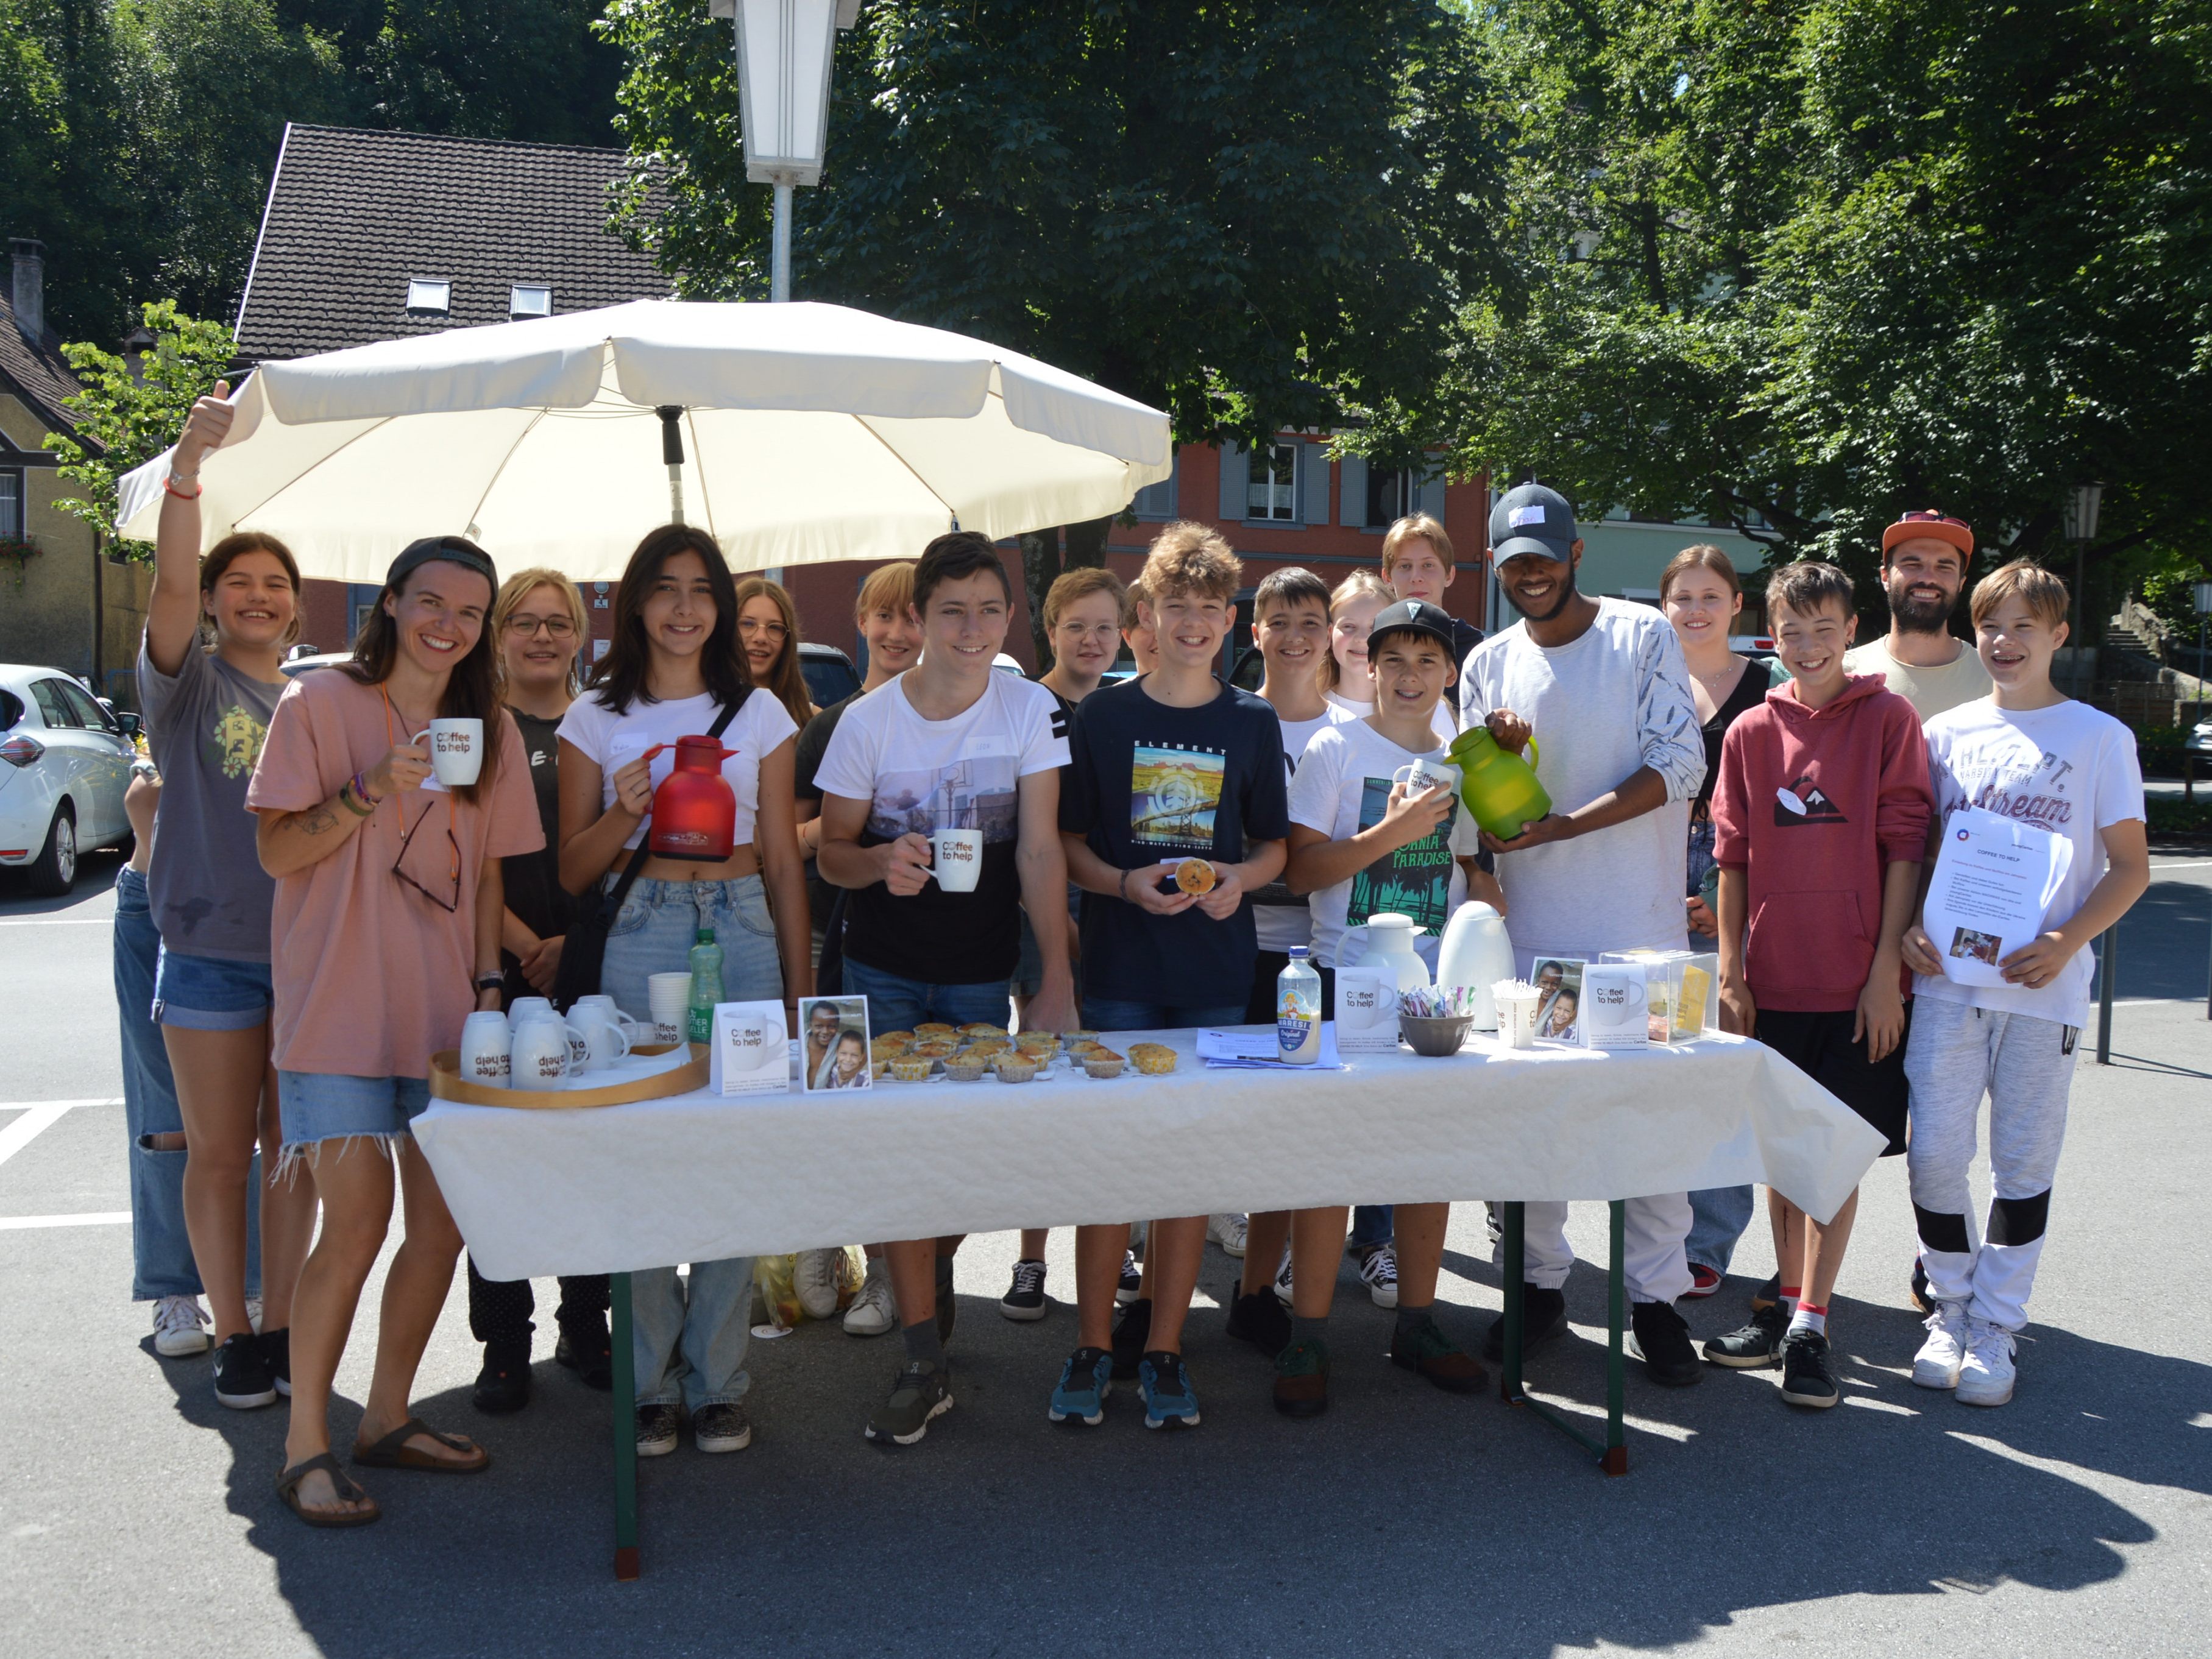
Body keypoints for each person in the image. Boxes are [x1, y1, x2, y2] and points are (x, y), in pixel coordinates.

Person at [250, 534, 540, 1528]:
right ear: (390, 602)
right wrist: (373, 785)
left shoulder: (487, 726)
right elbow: (279, 847)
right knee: (359, 1222)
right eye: (432, 601)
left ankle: (384, 1417)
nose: (448, 624)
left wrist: (492, 982)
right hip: (333, 1009)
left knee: (442, 1226)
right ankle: (303, 1450)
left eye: (470, 610)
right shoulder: (318, 702)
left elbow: (493, 872)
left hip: (444, 1018)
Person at [814, 531, 1076, 1446]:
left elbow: (1040, 850)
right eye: (953, 610)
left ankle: (920, 1271)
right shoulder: (866, 721)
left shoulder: (1029, 707)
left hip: (979, 972)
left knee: (964, 1160)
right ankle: (923, 1352)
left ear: (1010, 617)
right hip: (879, 969)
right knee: (894, 1153)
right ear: (919, 616)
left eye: (989, 609)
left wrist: (1052, 981)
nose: (972, 628)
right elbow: (832, 850)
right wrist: (879, 856)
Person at [559, 525, 814, 1460]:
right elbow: (575, 870)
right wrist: (625, 810)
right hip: (641, 929)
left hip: (742, 923)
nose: (683, 607)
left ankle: (719, 1382)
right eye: (663, 588)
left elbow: (785, 855)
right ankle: (648, 1382)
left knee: (731, 1151)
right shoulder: (593, 715)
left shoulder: (759, 716)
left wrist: (798, 984)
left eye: (700, 588)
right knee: (646, 1150)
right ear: (632, 602)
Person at [1457, 483, 1708, 1387]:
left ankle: (1655, 1300)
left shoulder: (1640, 635)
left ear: (1574, 555)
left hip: (1637, 933)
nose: (1529, 572)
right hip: (1528, 940)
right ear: (1495, 565)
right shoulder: (1486, 660)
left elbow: (1680, 762)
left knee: (1651, 1124)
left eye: (1543, 555)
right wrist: (1500, 792)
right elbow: (1474, 804)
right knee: (1531, 1124)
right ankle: (1536, 1283)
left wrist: (1565, 824)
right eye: (1512, 559)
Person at [1049, 522, 1288, 1432]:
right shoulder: (1103, 718)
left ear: (1229, 619)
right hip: (1118, 966)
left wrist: (1236, 880)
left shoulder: (1252, 721)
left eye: (1208, 608)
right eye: (1175, 606)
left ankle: (1163, 1347)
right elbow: (1068, 844)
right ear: (1146, 613)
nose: (1192, 623)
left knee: (1185, 1169)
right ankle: (1089, 1342)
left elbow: (1273, 847)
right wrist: (1118, 882)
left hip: (1212, 971)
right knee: (1109, 1165)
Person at [1898, 562, 2148, 1407]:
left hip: (2043, 989)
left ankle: (1998, 1324)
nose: (2005, 643)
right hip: (1948, 983)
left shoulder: (2098, 736)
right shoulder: (1946, 733)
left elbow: (2129, 867)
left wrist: (2063, 938)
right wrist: (1908, 927)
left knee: (2022, 1162)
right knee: (1933, 1155)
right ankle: (1949, 1306)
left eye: (2024, 628)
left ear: (2057, 636)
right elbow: (1922, 856)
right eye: (1991, 626)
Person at [1700, 560, 1932, 1407]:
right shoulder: (1750, 732)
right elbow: (1731, 859)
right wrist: (1731, 970)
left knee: (1833, 1162)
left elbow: (1903, 843)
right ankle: (1786, 1301)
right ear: (1772, 633)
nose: (1806, 645)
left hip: (1856, 986)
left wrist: (1885, 975)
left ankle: (1810, 1323)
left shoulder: (1886, 718)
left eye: (1822, 628)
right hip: (1773, 983)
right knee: (1782, 1158)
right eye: (1789, 630)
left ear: (1849, 628)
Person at [1269, 599, 1498, 1416]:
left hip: (1429, 990)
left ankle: (1418, 1321)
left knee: (1426, 1161)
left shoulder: (1461, 762)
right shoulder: (1335, 745)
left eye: (1425, 663)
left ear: (1447, 673)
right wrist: (1391, 829)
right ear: (1367, 667)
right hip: (1342, 980)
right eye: (1391, 660)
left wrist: (1488, 904)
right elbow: (1300, 872)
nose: (1408, 677)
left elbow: (1467, 863)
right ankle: (1308, 1331)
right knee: (1330, 1163)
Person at [140, 382, 317, 1410]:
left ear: (298, 603)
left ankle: (285, 1318)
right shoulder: (188, 685)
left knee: (290, 1148)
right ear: (213, 601)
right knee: (218, 1153)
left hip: (303, 954)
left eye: (274, 583)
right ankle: (235, 1331)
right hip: (205, 948)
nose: (256, 594)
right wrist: (188, 472)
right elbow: (164, 586)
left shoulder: (319, 699)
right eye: (236, 581)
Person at [464, 569, 611, 1414]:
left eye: (560, 622)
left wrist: (575, 945)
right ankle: (504, 1338)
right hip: (498, 967)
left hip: (591, 966)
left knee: (589, 1154)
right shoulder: (479, 728)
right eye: (526, 621)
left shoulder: (599, 724)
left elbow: (619, 851)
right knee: (503, 1160)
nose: (545, 637)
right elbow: (465, 857)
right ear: (501, 632)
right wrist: (524, 946)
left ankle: (584, 1321)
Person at [793, 563, 921, 1339]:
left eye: (912, 617)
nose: (900, 632)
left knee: (899, 1116)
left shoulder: (947, 721)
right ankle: (820, 1233)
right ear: (861, 622)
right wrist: (852, 825)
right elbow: (797, 837)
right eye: (886, 617)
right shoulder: (830, 723)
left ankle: (885, 1271)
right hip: (825, 926)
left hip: (909, 942)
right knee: (829, 1094)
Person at [1661, 544, 1790, 1296]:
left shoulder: (1767, 688)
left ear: (1737, 605)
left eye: (1711, 596)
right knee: (1660, 1072)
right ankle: (1658, 1235)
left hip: (1734, 887)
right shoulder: (1646, 682)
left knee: (1722, 1077)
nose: (1696, 610)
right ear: (1665, 606)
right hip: (1648, 886)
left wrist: (1725, 895)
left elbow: (1781, 810)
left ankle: (1709, 1241)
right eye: (1682, 597)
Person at [1004, 565, 1129, 1322]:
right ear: (1049, 631)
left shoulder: (1123, 709)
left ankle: (1118, 1238)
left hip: (1114, 904)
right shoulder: (1022, 703)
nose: (1091, 639)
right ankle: (1031, 1254)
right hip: (1035, 909)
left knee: (1110, 1083)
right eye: (1076, 625)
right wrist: (1058, 923)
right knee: (1046, 1080)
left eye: (1105, 627)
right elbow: (1025, 834)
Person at [1221, 566, 1336, 1352]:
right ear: (1253, 632)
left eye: (1310, 622)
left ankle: (1289, 1285)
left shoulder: (1353, 728)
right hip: (1235, 946)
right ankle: (1251, 1285)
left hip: (1325, 952)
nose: (1295, 637)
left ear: (1331, 632)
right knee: (1243, 1132)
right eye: (1278, 622)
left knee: (1309, 1134)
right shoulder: (1229, 717)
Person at [115, 767, 254, 1357]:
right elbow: (146, 805)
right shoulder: (164, 753)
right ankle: (174, 1288)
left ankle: (249, 1283)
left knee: (254, 1120)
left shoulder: (277, 713)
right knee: (166, 1112)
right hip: (157, 911)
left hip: (247, 921)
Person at [1842, 511, 1993, 721]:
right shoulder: (1843, 674)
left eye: (1944, 567)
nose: (1928, 578)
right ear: (1885, 577)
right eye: (1913, 564)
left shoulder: (1994, 678)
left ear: (1961, 583)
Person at [1379, 512, 1484, 672]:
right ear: (1387, 578)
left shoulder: (1478, 651)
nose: (1416, 578)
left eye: (1428, 565)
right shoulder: (1374, 644)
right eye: (1405, 566)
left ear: (1449, 575)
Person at [734, 575, 818, 729]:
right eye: (747, 624)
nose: (761, 638)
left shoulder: (814, 722)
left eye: (774, 628)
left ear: (788, 640)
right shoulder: (699, 709)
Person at [1121, 576, 1160, 675]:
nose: (1159, 636)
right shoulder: (1113, 691)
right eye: (1147, 625)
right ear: (1128, 637)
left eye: (1167, 625)